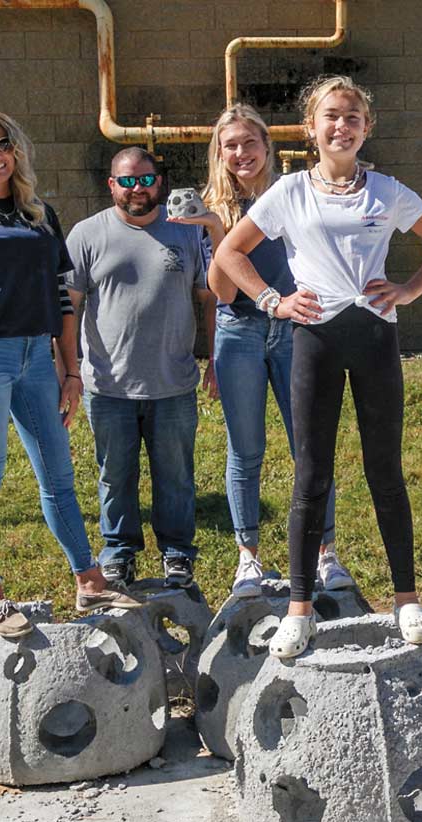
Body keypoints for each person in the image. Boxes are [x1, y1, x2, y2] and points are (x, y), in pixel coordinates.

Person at [215, 76, 422, 657]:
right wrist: (273, 301)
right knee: (310, 475)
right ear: (311, 127)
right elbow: (230, 253)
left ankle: (406, 599)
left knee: (385, 472)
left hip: (375, 336)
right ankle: (299, 609)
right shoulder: (290, 193)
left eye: (352, 116)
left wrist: (407, 290)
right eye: (330, 116)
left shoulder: (386, 190)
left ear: (366, 127)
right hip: (314, 340)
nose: (341, 125)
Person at [0, 109, 141, 639]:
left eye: (2, 144)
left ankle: (88, 578)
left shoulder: (39, 215)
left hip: (38, 360)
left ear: (15, 150)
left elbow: (64, 298)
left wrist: (71, 370)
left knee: (58, 476)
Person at [176, 104, 354, 597]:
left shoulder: (295, 192)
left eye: (249, 143)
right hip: (240, 334)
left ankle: (326, 555)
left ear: (267, 146)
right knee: (245, 449)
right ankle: (248, 559)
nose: (240, 153)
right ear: (219, 153)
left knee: (310, 447)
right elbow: (224, 294)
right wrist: (216, 230)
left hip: (296, 331)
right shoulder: (210, 207)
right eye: (230, 145)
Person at [66, 147, 216, 589]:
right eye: (127, 181)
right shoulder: (87, 234)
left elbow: (211, 298)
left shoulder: (186, 232)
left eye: (145, 180)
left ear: (160, 182)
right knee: (115, 475)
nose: (137, 189)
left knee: (175, 475)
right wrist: (69, 371)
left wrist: (215, 359)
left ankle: (177, 553)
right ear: (111, 185)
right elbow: (68, 308)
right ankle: (118, 552)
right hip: (108, 385)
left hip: (173, 383)